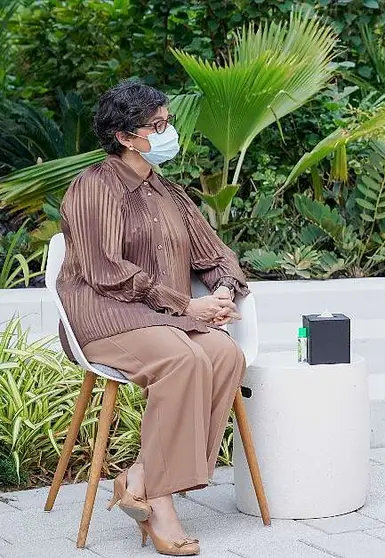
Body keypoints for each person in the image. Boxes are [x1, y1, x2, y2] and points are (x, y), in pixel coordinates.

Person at [57, 79, 250, 555]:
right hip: (104, 318)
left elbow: (216, 254)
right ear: (125, 137)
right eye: (157, 126)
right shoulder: (93, 188)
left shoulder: (170, 193)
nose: (168, 133)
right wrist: (187, 304)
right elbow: (106, 271)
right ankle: (160, 503)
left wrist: (224, 289)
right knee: (183, 361)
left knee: (224, 354)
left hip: (163, 320)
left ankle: (141, 476)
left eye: (168, 123)